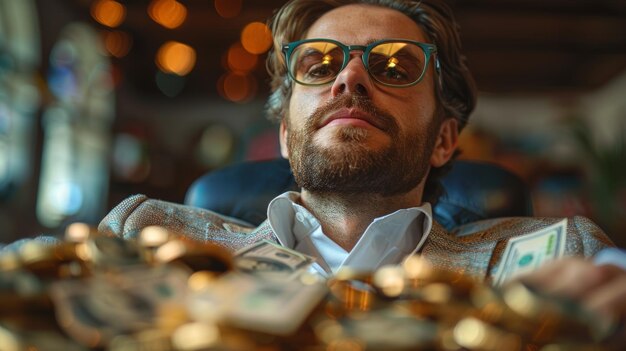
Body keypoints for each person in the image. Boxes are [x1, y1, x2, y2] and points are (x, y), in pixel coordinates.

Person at [99, 0, 626, 333]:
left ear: (443, 140)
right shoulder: (144, 234)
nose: (349, 79)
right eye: (320, 64)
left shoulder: (560, 258)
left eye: (394, 66)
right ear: (285, 134)